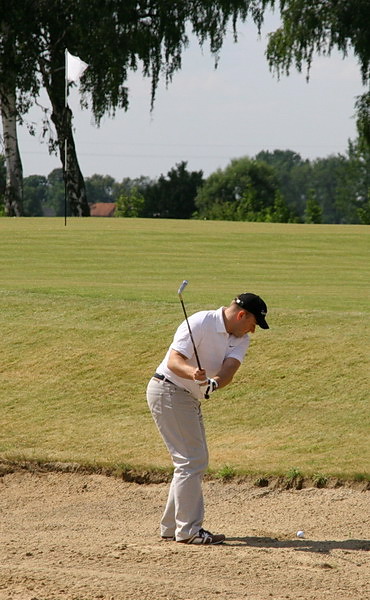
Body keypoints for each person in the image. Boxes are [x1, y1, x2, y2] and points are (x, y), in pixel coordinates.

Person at [146, 292, 269, 545]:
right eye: (253, 324)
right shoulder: (201, 322)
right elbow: (173, 361)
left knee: (191, 461)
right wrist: (194, 373)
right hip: (168, 390)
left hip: (187, 397)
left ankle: (172, 527)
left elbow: (230, 369)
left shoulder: (240, 337)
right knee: (191, 461)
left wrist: (213, 382)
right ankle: (188, 530)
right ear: (241, 314)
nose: (252, 331)